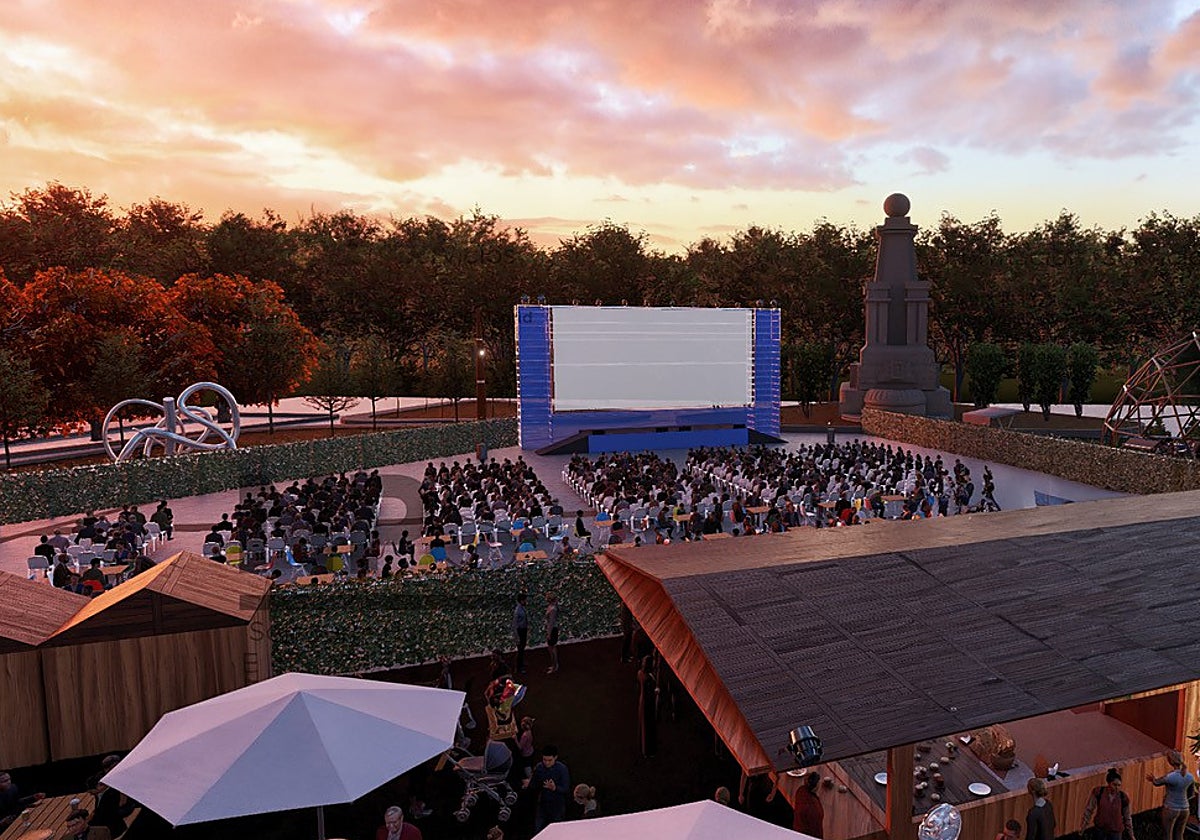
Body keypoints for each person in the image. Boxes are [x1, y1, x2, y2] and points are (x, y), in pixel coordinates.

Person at [1148, 751, 1195, 840]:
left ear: (1171, 762)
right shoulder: (1190, 776)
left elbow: (1157, 782)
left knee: (1167, 835)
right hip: (1185, 808)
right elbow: (1191, 794)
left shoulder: (1170, 776)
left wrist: (1153, 779)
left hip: (1171, 807)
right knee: (1180, 835)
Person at [1081, 768, 1135, 840]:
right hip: (1100, 829)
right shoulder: (1099, 792)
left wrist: (1131, 834)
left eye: (1119, 785)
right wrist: (1083, 826)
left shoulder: (1123, 797)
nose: (1117, 788)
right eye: (1114, 785)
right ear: (1109, 783)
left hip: (1115, 832)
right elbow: (1089, 809)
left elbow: (1127, 817)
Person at [529, 745, 570, 832]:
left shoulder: (562, 769)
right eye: (544, 760)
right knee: (539, 830)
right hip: (543, 804)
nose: (547, 763)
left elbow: (566, 788)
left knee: (557, 830)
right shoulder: (539, 767)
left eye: (549, 760)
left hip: (557, 805)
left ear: (555, 757)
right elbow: (533, 785)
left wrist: (555, 788)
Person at [792, 771, 824, 838]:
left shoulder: (800, 790)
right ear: (816, 785)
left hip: (797, 829)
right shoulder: (814, 808)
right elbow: (816, 829)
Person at [637, 654, 658, 758]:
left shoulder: (640, 673)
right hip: (648, 702)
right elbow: (651, 692)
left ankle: (644, 749)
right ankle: (649, 751)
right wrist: (656, 691)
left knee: (644, 725)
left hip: (642, 700)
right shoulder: (649, 678)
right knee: (649, 726)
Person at [513, 592, 528, 674]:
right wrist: (517, 637)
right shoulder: (518, 611)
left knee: (521, 649)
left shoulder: (521, 608)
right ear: (521, 601)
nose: (526, 601)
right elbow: (514, 625)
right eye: (525, 600)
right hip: (520, 631)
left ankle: (521, 664)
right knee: (520, 650)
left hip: (523, 630)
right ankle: (519, 667)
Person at [545, 592, 560, 674]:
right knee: (552, 648)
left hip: (552, 630)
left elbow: (551, 623)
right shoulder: (551, 607)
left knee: (551, 648)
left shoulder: (553, 609)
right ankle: (554, 665)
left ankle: (555, 666)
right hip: (552, 629)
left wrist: (549, 633)